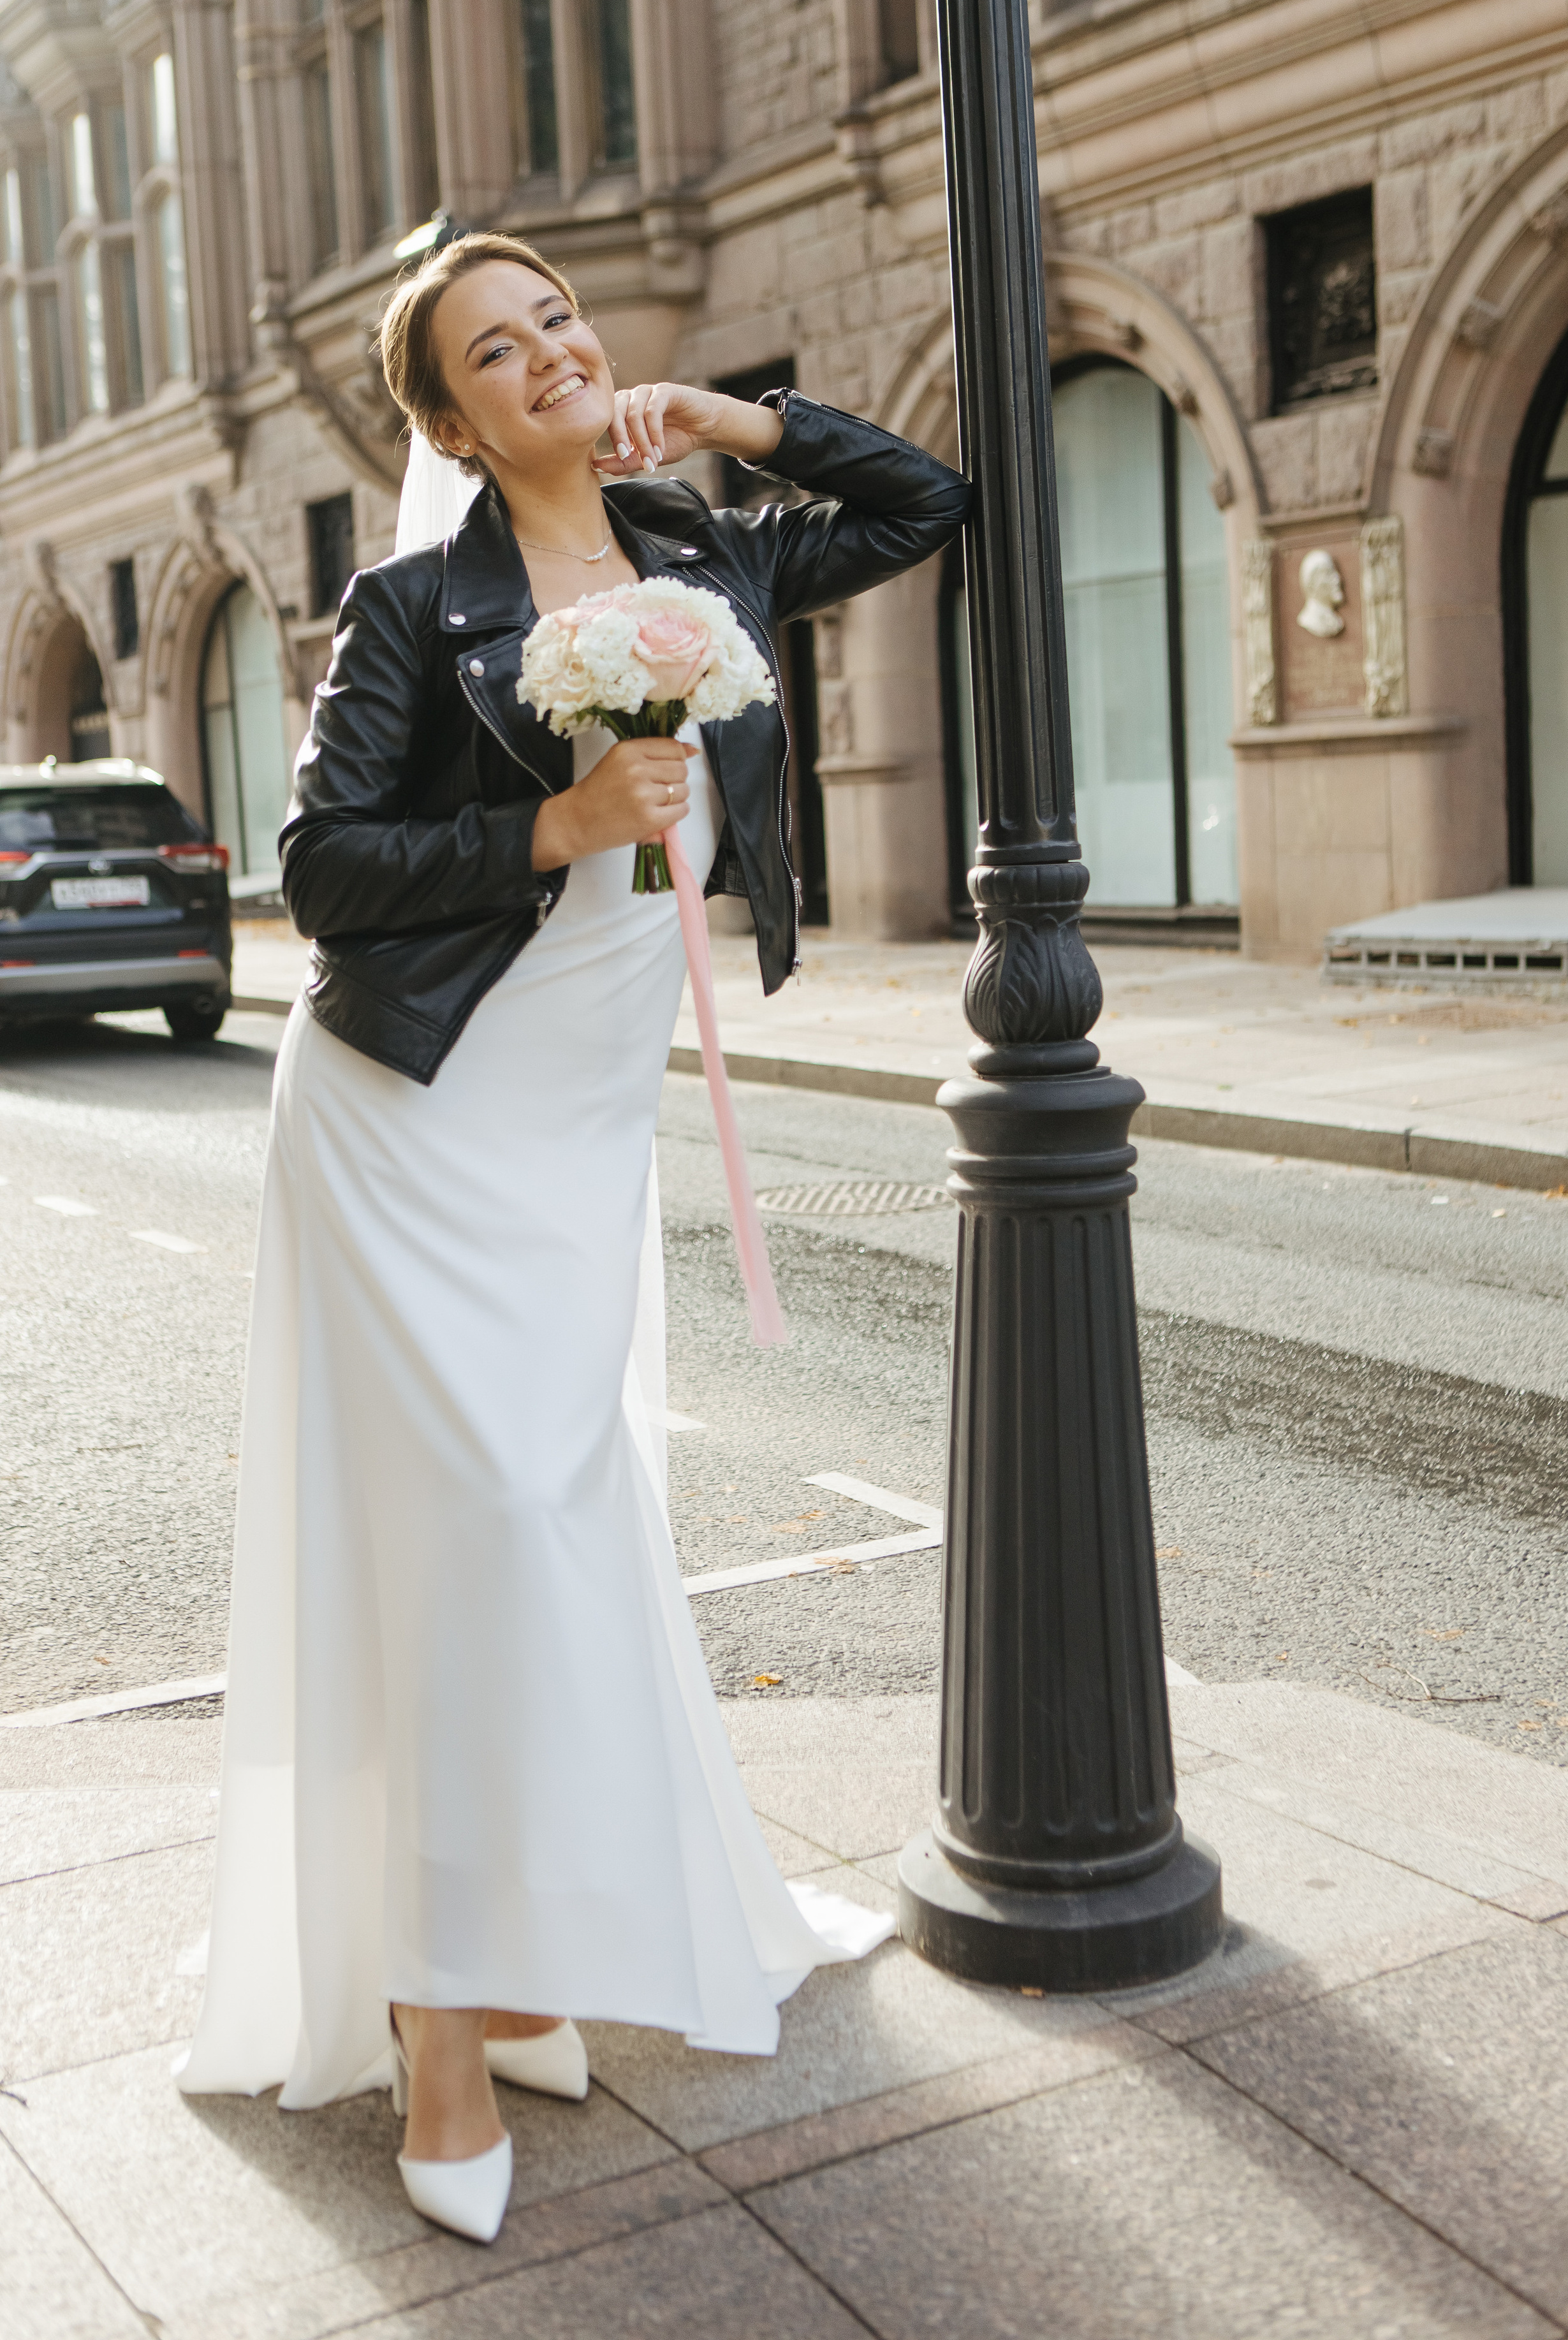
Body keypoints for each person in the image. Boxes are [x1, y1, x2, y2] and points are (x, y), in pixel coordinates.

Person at [175, 231, 971, 2244]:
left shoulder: (703, 546)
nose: (549, 358)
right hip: (414, 1123)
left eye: (561, 323)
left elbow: (924, 498)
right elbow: (323, 872)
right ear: (444, 421)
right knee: (487, 1541)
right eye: (494, 349)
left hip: (579, 1124)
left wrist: (722, 416)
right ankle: (442, 2021)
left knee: (555, 1524)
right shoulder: (405, 604)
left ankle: (528, 1956)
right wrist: (545, 823)